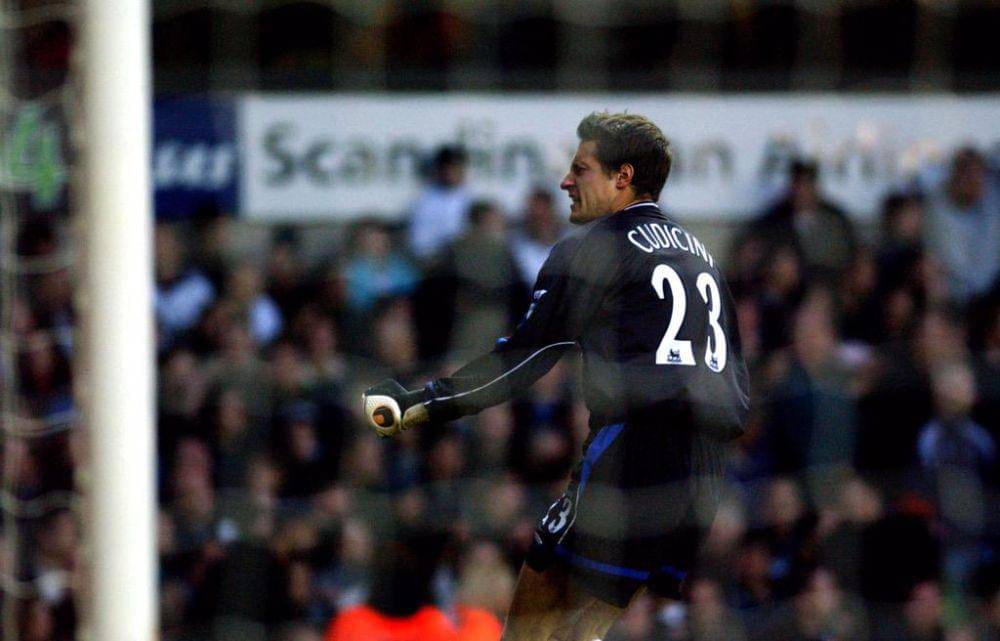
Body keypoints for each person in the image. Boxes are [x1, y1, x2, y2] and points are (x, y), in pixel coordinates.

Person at [363, 112, 749, 641]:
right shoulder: (701, 256)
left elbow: (524, 360)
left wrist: (421, 404)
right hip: (703, 473)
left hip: (633, 453)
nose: (566, 181)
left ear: (622, 177)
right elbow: (735, 375)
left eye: (581, 169)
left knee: (535, 618)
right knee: (577, 628)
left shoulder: (593, 251)